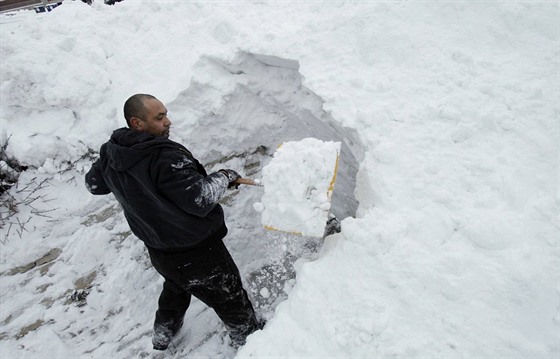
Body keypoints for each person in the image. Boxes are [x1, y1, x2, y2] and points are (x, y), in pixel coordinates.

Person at [85, 94, 262, 350]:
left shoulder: (112, 151)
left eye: (166, 114)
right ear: (137, 123)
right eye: (159, 118)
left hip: (160, 250)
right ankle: (252, 341)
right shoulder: (164, 158)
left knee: (177, 286)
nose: (168, 121)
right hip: (198, 252)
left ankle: (163, 333)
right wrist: (224, 176)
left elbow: (94, 185)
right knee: (230, 298)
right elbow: (200, 199)